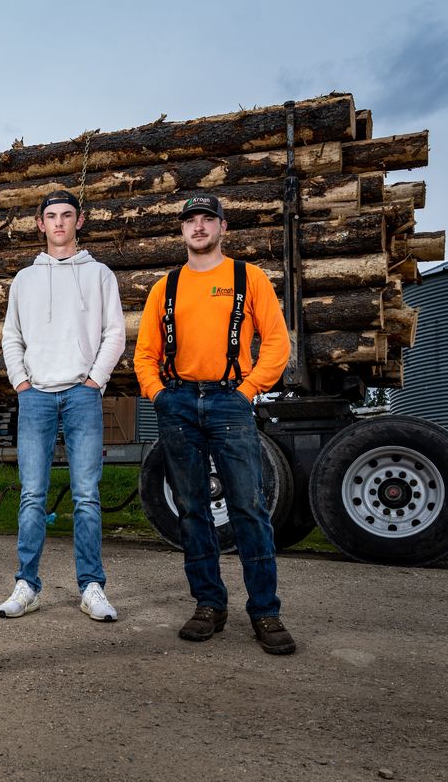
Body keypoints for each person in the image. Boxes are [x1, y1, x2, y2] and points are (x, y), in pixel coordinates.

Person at [133, 194, 296, 655]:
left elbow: (278, 343)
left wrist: (248, 391)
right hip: (179, 404)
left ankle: (265, 611)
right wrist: (159, 395)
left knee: (248, 506)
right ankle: (209, 604)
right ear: (182, 231)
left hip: (230, 402)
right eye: (191, 221)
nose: (199, 227)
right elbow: (145, 354)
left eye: (208, 219)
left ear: (223, 227)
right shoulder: (165, 288)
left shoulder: (249, 278)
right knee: (192, 510)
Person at [0, 190, 126, 621]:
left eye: (66, 215)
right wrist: (21, 383)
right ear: (40, 223)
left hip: (80, 394)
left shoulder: (100, 275)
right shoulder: (25, 279)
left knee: (87, 496)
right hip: (35, 395)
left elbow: (115, 332)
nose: (58, 223)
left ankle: (91, 586)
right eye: (50, 216)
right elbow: (11, 336)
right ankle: (26, 584)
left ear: (79, 221)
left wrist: (94, 381)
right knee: (32, 494)